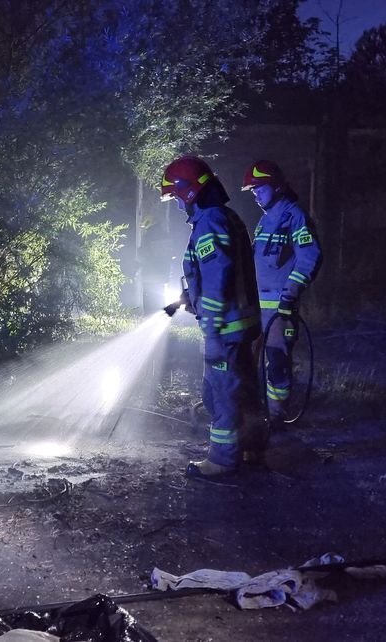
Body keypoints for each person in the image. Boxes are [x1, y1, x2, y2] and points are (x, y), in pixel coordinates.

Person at [161, 156, 262, 478]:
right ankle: (250, 448)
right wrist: (190, 297)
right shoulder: (227, 217)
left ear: (189, 192)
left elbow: (219, 272)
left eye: (176, 197)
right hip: (242, 321)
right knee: (243, 389)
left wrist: (212, 324)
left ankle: (221, 460)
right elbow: (223, 270)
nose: (177, 205)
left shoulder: (209, 222)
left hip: (226, 325)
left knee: (221, 393)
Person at [241, 160, 322, 424]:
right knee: (251, 361)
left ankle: (277, 416)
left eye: (259, 189)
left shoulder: (293, 216)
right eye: (253, 192)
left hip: (280, 308)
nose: (256, 196)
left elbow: (310, 256)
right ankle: (255, 412)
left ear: (276, 187)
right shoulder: (266, 220)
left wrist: (290, 295)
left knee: (276, 362)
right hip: (258, 308)